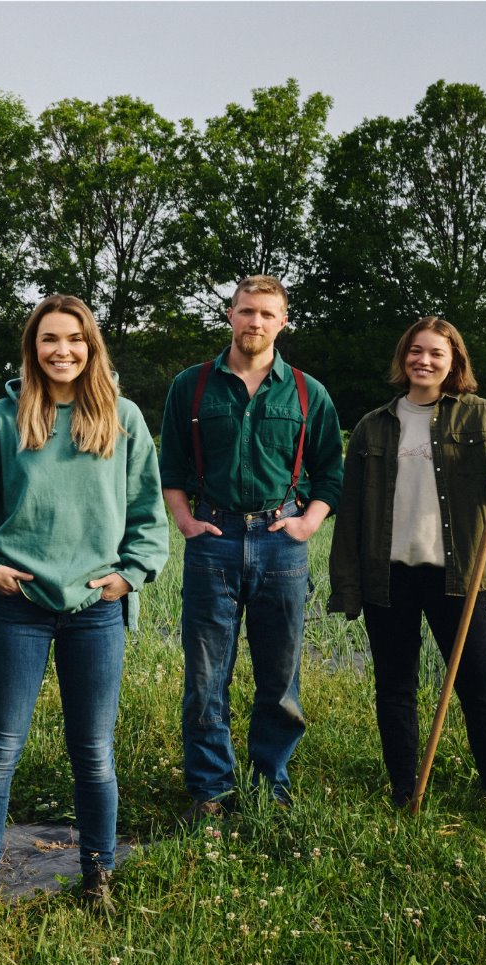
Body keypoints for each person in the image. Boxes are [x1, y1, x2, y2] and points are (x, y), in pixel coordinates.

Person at [0, 294, 168, 909]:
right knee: (0, 746)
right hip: (17, 605)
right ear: (32, 348)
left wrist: (131, 575)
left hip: (96, 608)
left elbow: (150, 518)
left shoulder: (122, 418)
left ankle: (98, 874)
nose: (61, 350)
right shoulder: (4, 418)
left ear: (91, 346)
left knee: (93, 751)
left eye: (74, 338)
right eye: (49, 339)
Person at [328, 317, 486, 808]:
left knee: (479, 686)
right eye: (415, 351)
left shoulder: (483, 416)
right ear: (403, 358)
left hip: (457, 578)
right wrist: (347, 584)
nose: (423, 361)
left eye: (436, 354)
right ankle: (405, 789)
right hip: (389, 577)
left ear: (454, 363)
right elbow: (352, 515)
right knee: (395, 687)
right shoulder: (373, 425)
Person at [158, 275, 343, 820]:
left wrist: (309, 523)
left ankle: (271, 785)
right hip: (212, 542)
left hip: (280, 542)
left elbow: (331, 471)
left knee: (280, 675)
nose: (254, 322)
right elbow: (170, 466)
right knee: (205, 675)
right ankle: (210, 791)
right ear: (230, 316)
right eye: (245, 311)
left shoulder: (309, 393)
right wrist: (185, 521)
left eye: (266, 314)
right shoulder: (191, 387)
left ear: (282, 322)